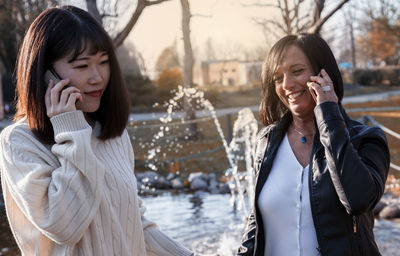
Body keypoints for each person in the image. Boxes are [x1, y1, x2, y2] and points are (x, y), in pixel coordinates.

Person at [0, 6, 193, 256]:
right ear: (47, 74)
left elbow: (135, 225)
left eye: (103, 63)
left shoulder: (111, 134)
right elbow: (64, 227)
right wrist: (70, 129)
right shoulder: (19, 142)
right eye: (82, 66)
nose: (97, 77)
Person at [237, 33, 390, 256]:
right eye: (278, 78)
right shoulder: (266, 142)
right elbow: (255, 226)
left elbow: (357, 201)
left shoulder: (366, 139)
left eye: (297, 71)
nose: (287, 84)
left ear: (324, 73)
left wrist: (328, 114)